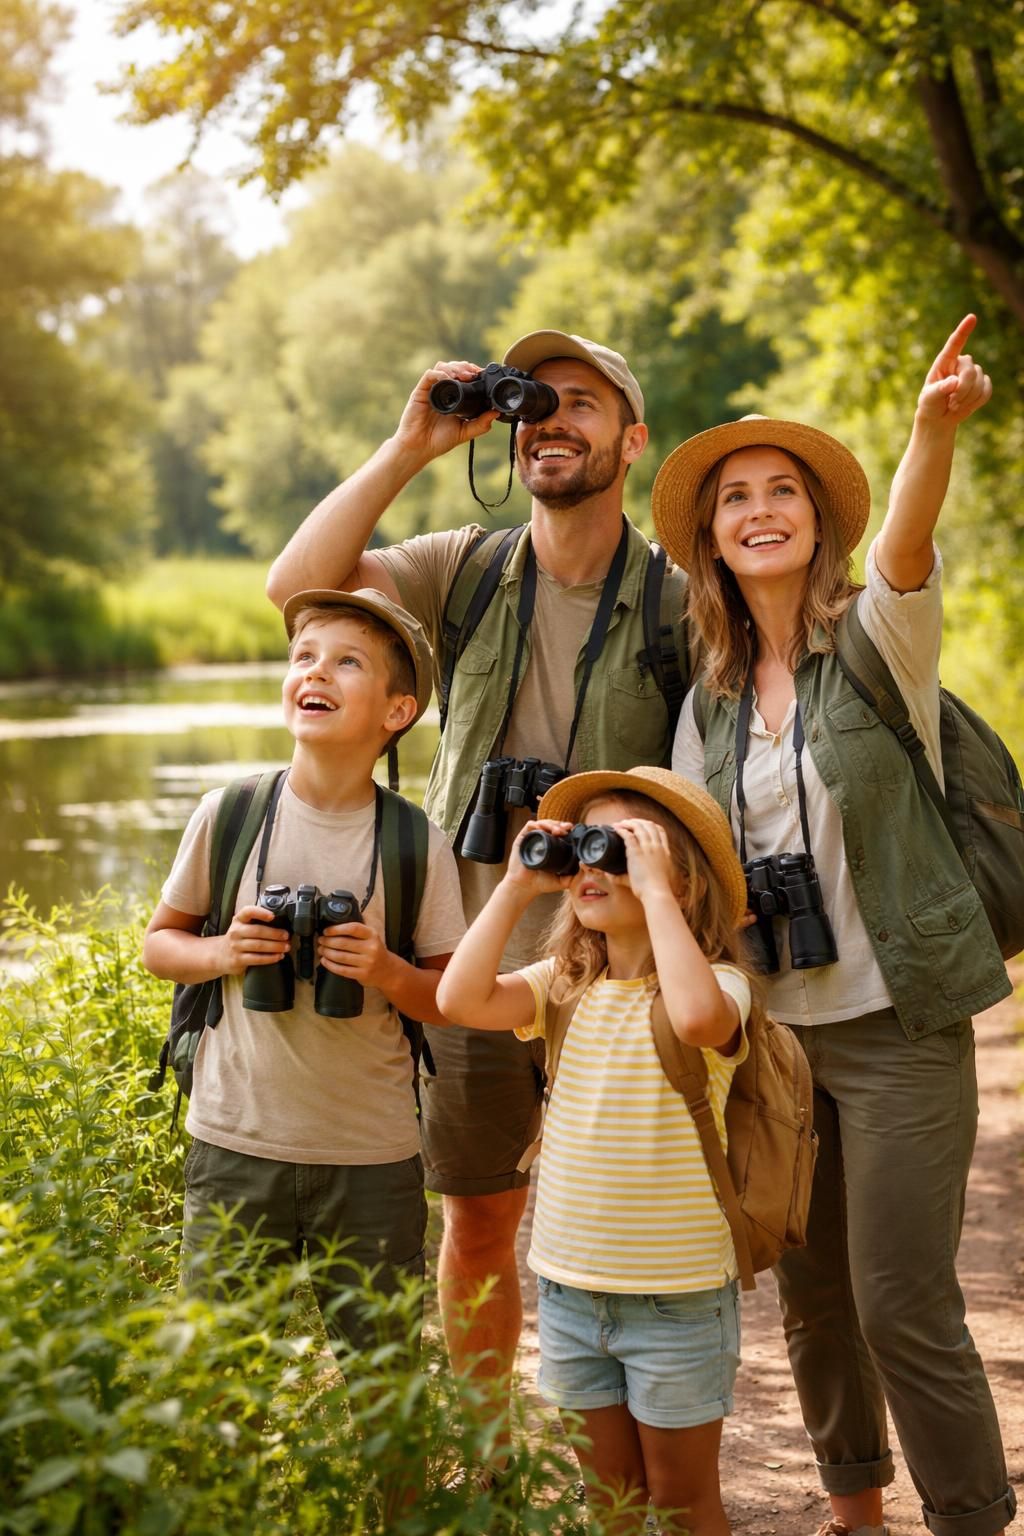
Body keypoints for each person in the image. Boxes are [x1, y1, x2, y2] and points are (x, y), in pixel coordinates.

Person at [264, 331, 691, 1471]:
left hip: (619, 963)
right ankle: (487, 1457)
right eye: (537, 405)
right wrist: (414, 443)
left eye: (585, 404)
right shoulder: (467, 564)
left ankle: (647, 1469)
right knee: (480, 1218)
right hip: (473, 944)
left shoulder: (676, 601)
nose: (554, 424)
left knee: (636, 1228)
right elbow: (292, 581)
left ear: (632, 439)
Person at [654, 315, 1016, 1536]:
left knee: (900, 1299)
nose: (760, 510)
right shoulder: (699, 703)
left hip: (899, 1025)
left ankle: (970, 1518)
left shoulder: (874, 645)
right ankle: (854, 1510)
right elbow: (688, 858)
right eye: (735, 498)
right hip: (781, 1043)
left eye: (783, 492)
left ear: (817, 521)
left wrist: (929, 431)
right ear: (708, 536)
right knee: (809, 1300)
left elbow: (910, 545)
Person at [142, 589, 465, 1360]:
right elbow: (160, 946)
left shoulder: (415, 841)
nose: (315, 672)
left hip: (371, 1158)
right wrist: (223, 954)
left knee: (388, 1385)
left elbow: (448, 1000)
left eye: (346, 662)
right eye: (304, 658)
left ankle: (400, 1491)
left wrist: (384, 970)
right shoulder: (230, 814)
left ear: (397, 711)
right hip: (234, 1144)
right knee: (217, 1378)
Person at [435, 765, 755, 1535]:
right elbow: (457, 999)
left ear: (683, 880)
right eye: (586, 848)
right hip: (572, 1295)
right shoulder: (562, 984)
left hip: (674, 1299)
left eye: (622, 848)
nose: (594, 866)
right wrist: (514, 886)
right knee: (612, 1503)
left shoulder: (720, 985)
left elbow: (697, 1020)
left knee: (682, 1503)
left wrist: (653, 892)